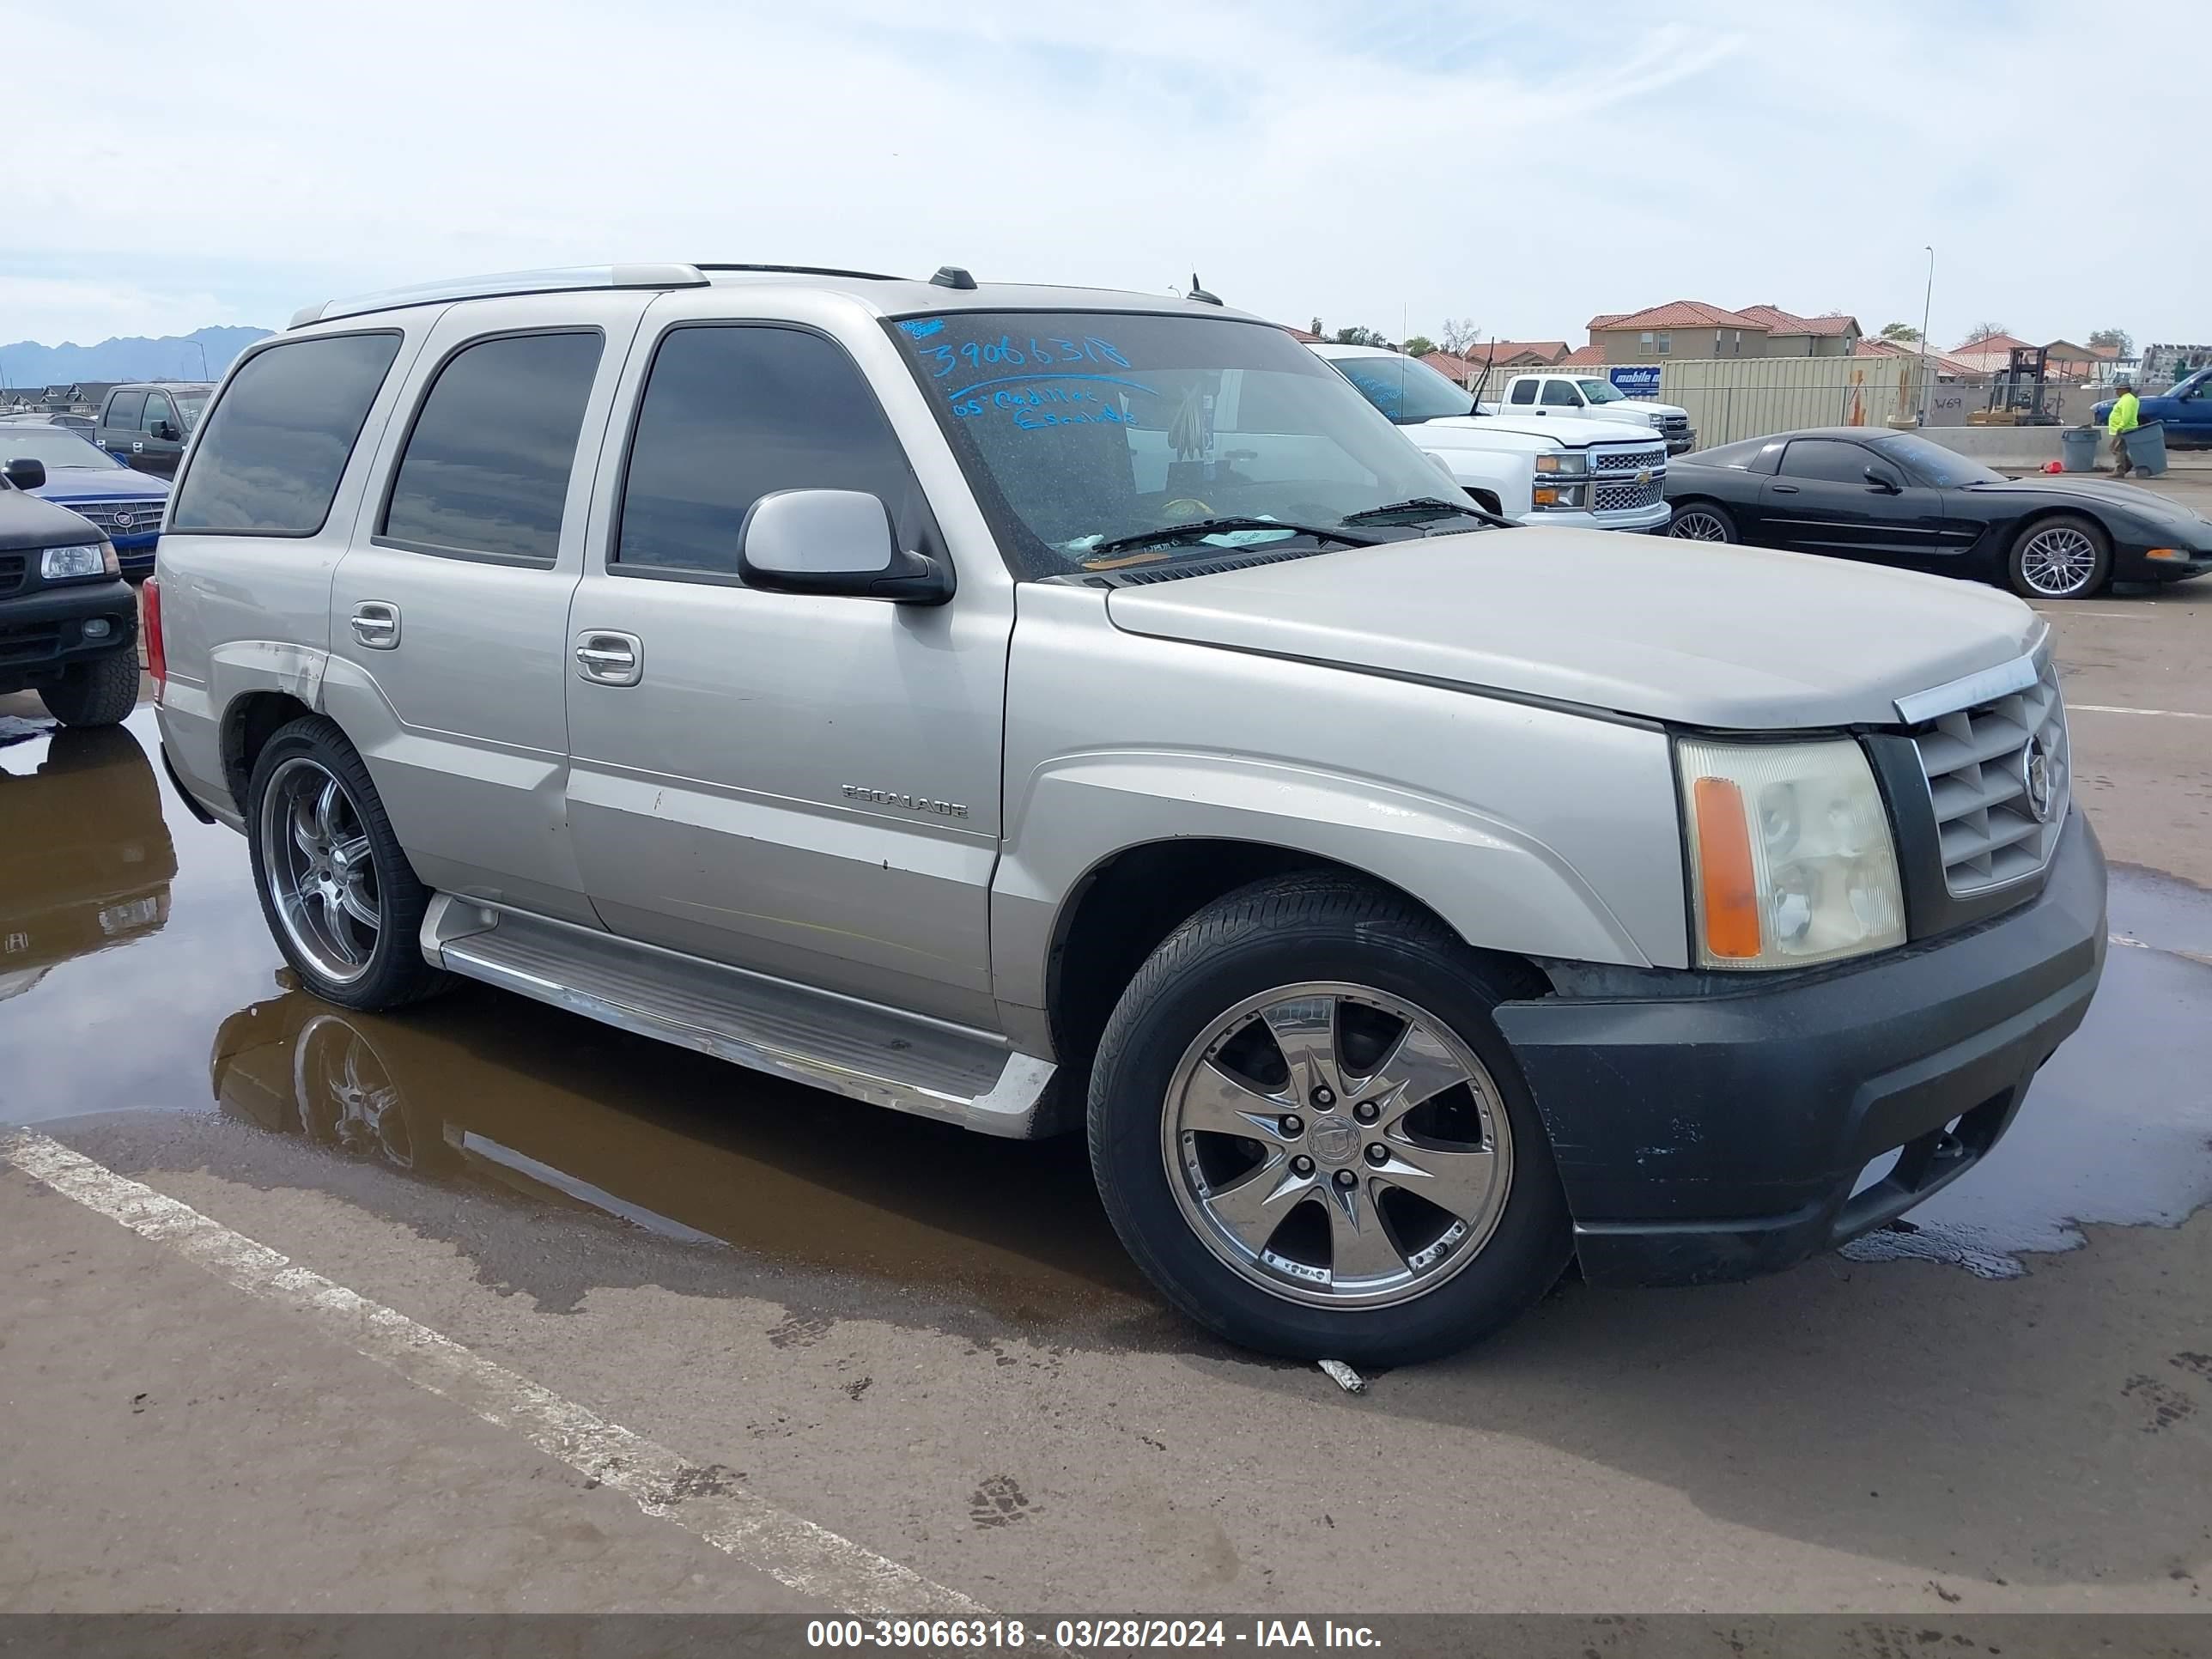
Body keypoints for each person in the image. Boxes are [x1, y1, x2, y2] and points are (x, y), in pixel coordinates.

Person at [2107, 379, 2141, 477]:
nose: (2117, 392)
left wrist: (2121, 426)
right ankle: (2127, 464)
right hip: (2121, 428)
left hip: (2123, 428)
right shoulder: (2128, 399)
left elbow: (2127, 415)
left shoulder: (2128, 399)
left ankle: (2120, 470)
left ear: (2125, 389)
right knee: (2115, 448)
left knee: (2118, 450)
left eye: (2118, 389)